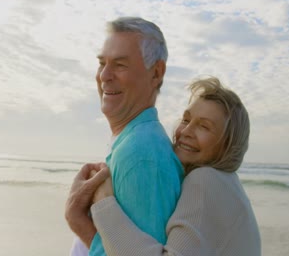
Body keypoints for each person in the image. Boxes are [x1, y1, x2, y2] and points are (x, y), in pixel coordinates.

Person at [72, 76, 261, 255]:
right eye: (186, 120)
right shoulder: (228, 186)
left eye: (204, 126)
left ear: (228, 145)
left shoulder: (205, 180)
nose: (186, 131)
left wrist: (103, 202)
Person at [64, 17, 184, 255]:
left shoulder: (141, 153)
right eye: (101, 63)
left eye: (120, 64)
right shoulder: (133, 141)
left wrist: (77, 219)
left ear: (156, 73)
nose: (104, 75)